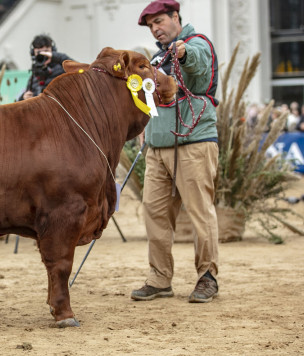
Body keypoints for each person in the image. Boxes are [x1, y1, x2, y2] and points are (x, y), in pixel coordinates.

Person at [131, 0, 220, 303]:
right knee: (154, 213)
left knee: (200, 213)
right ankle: (159, 279)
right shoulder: (157, 56)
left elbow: (197, 63)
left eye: (160, 21)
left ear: (175, 17)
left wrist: (183, 53)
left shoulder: (197, 44)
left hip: (193, 142)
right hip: (157, 146)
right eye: (151, 25)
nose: (156, 28)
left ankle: (207, 277)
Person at [18, 34, 72, 101]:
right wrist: (23, 98)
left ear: (53, 51)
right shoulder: (34, 76)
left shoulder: (62, 69)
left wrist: (55, 57)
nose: (43, 55)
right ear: (33, 53)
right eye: (39, 52)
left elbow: (78, 68)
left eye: (46, 51)